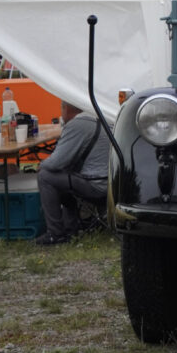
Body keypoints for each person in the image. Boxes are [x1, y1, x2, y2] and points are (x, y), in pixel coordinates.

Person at [35, 101, 111, 246]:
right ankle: (71, 227)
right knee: (65, 176)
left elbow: (56, 162)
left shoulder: (78, 124)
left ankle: (55, 234)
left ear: (66, 108)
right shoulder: (100, 117)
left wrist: (41, 164)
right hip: (112, 186)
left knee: (45, 176)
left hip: (97, 188)